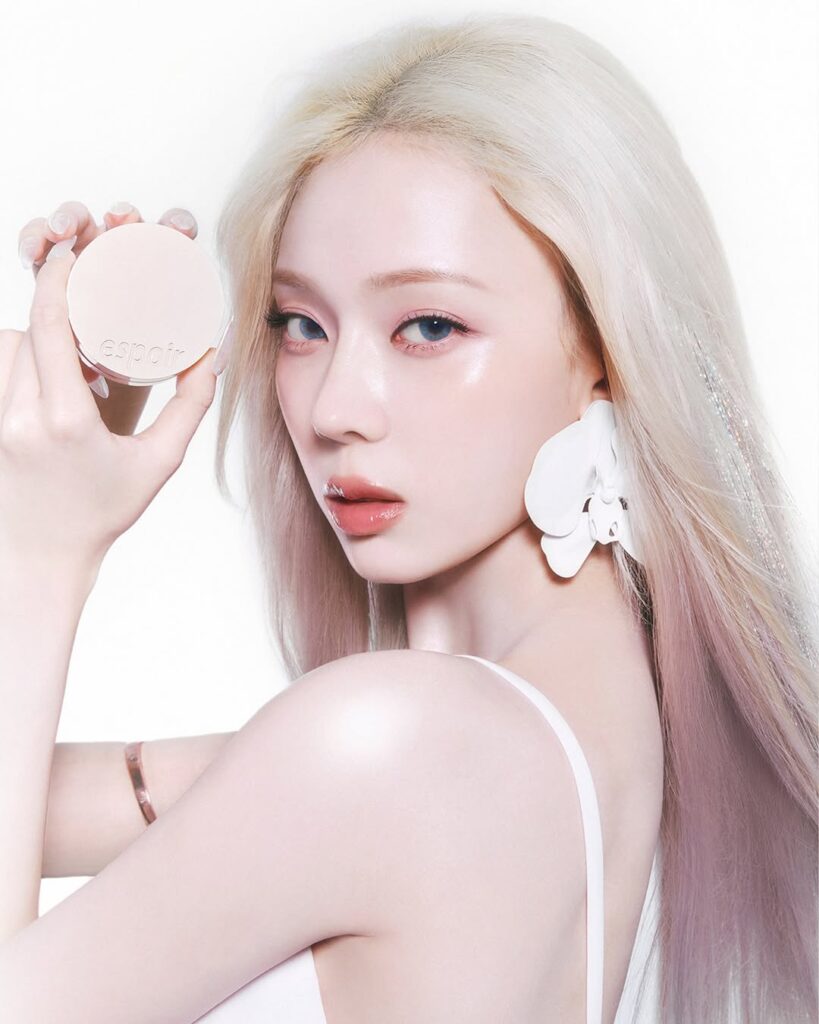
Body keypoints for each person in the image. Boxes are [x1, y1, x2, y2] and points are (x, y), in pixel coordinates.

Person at [1, 13, 816, 1024]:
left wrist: (35, 554)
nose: (335, 408)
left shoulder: (390, 746)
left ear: (606, 349)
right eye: (301, 324)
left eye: (429, 325)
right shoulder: (602, 733)